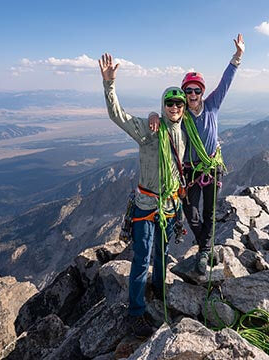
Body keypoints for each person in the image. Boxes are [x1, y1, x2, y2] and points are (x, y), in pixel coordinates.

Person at [99, 53, 187, 338]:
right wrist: (109, 84)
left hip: (170, 205)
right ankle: (135, 313)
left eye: (179, 103)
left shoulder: (185, 132)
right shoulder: (151, 129)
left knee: (162, 253)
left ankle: (159, 289)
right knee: (141, 259)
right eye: (169, 103)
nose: (174, 107)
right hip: (147, 205)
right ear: (163, 106)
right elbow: (117, 115)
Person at [149, 34, 245, 276]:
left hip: (211, 167)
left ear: (202, 92)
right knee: (191, 213)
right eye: (188, 91)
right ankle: (206, 247)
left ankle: (203, 250)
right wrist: (152, 114)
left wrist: (237, 57)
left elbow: (226, 82)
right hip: (190, 170)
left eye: (196, 91)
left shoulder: (212, 105)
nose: (192, 95)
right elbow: (164, 119)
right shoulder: (180, 115)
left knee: (209, 212)